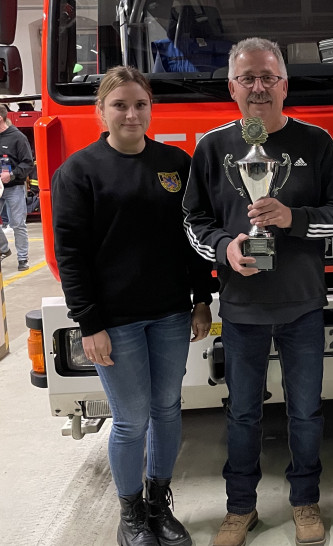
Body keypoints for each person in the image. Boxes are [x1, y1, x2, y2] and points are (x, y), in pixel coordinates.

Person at [182, 38, 333, 546]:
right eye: (248, 78)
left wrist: (292, 218)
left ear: (285, 84)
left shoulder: (317, 143)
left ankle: (305, 501)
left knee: (306, 410)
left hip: (302, 304)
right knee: (242, 412)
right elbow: (194, 221)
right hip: (240, 307)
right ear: (232, 86)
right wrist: (225, 250)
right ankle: (241, 509)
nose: (259, 87)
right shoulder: (213, 147)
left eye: (268, 77)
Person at [52, 66, 216, 546]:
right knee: (131, 418)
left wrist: (201, 299)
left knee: (168, 409)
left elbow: (191, 241)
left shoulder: (175, 164)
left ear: (151, 109)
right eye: (119, 105)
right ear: (101, 111)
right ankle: (129, 515)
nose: (131, 113)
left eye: (140, 104)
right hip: (114, 322)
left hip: (169, 313)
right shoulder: (78, 172)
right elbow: (71, 255)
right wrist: (89, 323)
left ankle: (157, 504)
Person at [0, 104, 34, 270]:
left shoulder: (17, 138)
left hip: (14, 187)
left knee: (17, 224)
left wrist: (11, 175)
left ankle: (23, 258)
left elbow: (28, 163)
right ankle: (3, 249)